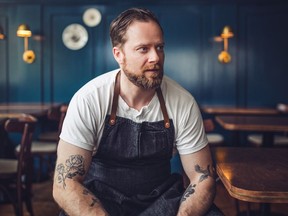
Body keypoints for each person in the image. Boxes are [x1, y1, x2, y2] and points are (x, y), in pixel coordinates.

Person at [53, 7, 223, 216]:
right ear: (119, 55)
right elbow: (65, 184)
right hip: (101, 200)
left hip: (162, 198)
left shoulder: (183, 102)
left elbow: (202, 179)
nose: (155, 58)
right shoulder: (89, 99)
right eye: (143, 49)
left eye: (159, 47)